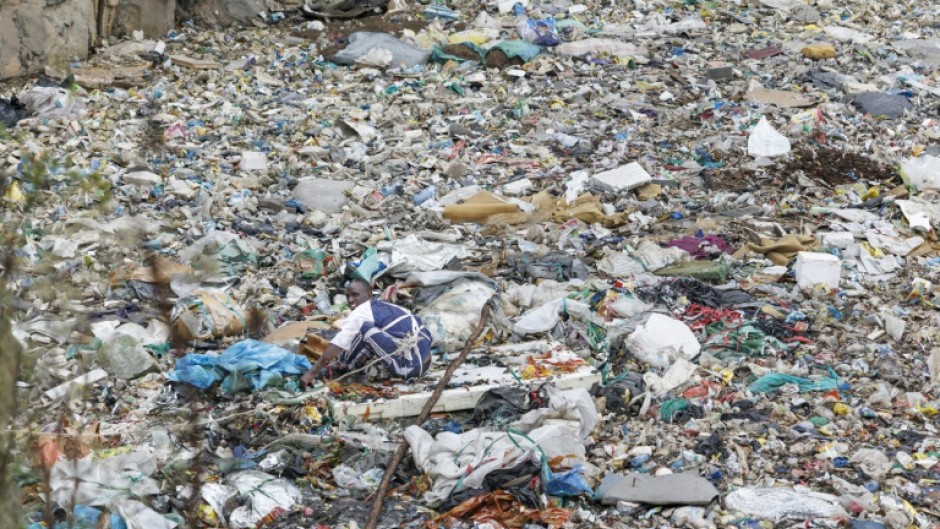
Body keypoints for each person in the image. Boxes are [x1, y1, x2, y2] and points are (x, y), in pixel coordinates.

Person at [300, 278, 433, 385]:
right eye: (348, 296)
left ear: (369, 296)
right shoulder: (388, 307)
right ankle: (344, 364)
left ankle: (342, 366)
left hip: (408, 369)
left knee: (365, 329)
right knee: (365, 330)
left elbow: (338, 344)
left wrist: (312, 373)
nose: (350, 300)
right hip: (425, 364)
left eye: (355, 295)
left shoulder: (360, 313)